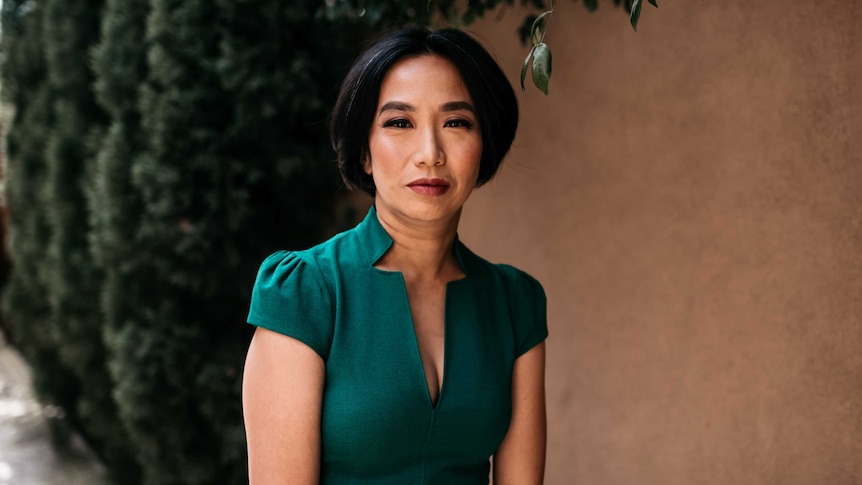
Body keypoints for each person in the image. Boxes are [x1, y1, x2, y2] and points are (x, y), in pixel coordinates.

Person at [242, 27, 548, 485]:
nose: (430, 154)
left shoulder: (514, 302)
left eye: (456, 122)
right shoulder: (305, 292)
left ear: (484, 146)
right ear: (365, 152)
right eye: (399, 123)